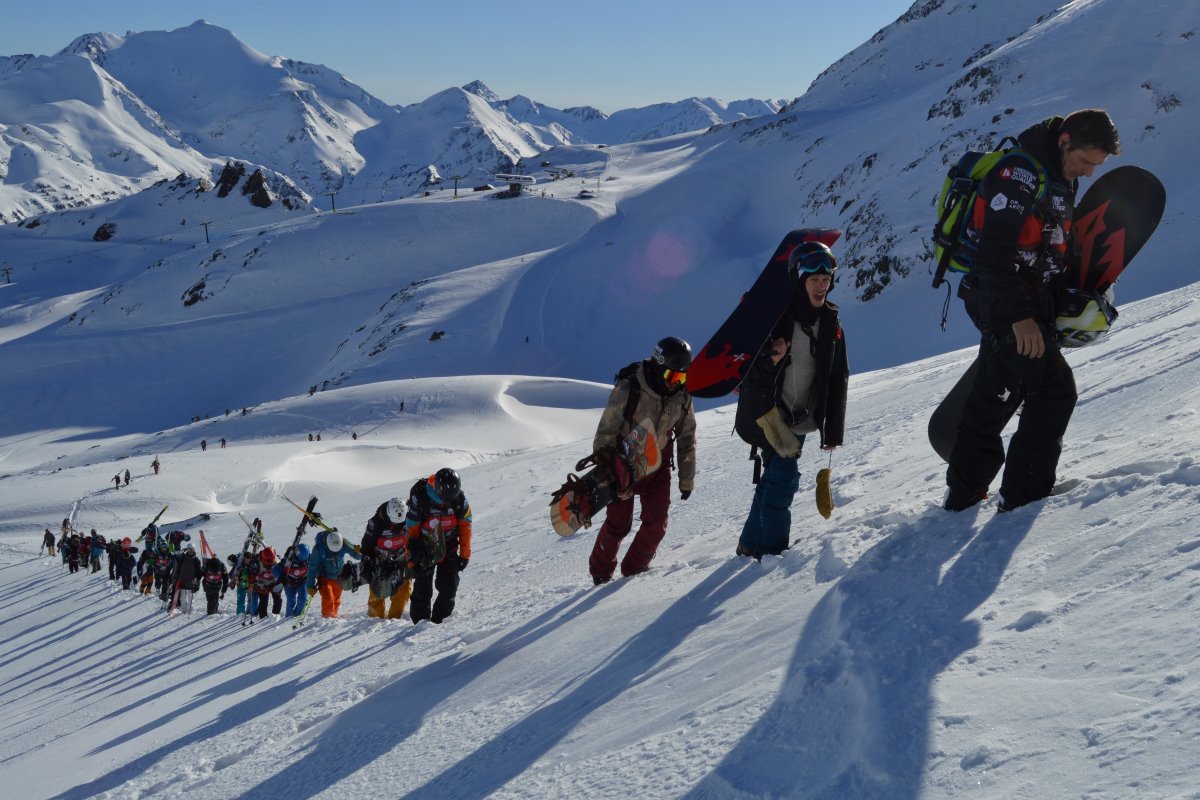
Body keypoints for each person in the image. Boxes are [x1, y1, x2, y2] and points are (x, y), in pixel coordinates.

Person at [945, 109, 1121, 513]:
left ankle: (964, 494)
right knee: (1055, 388)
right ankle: (1024, 498)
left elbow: (1048, 244)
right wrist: (1020, 317)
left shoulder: (1060, 176)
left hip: (1024, 297)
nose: (1089, 173)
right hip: (1003, 299)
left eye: (1096, 166)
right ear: (1064, 141)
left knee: (994, 391)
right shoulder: (1019, 173)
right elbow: (994, 254)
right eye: (1085, 161)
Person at [734, 242, 849, 558]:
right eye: (814, 280)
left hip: (800, 416)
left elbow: (838, 376)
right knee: (784, 479)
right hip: (769, 413)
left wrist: (832, 431)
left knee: (773, 478)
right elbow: (743, 370)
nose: (821, 286)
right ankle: (771, 551)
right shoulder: (776, 320)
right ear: (800, 280)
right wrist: (771, 358)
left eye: (826, 279)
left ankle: (749, 545)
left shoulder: (830, 323)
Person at [587, 337, 697, 584]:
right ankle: (600, 574)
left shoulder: (682, 396)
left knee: (657, 523)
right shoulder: (630, 388)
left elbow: (687, 436)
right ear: (658, 366)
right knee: (618, 524)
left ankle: (634, 573)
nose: (676, 384)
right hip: (623, 466)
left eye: (682, 378)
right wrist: (606, 470)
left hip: (657, 465)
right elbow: (605, 432)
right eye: (672, 377)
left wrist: (686, 479)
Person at [406, 468, 472, 624]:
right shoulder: (420, 497)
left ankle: (439, 623)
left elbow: (465, 526)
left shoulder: (460, 499)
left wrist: (464, 555)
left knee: (449, 587)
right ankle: (419, 625)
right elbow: (411, 529)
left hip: (448, 545)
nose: (446, 501)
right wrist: (411, 560)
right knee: (423, 588)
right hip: (424, 547)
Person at [362, 498, 413, 620]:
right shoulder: (375, 523)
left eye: (400, 523)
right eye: (395, 523)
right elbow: (367, 543)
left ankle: (394, 619)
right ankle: (374, 620)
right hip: (380, 562)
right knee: (377, 593)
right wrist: (367, 560)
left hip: (401, 560)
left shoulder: (409, 518)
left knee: (404, 591)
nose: (397, 526)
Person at [305, 530, 361, 618]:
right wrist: (310, 586)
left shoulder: (343, 544)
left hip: (339, 577)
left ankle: (333, 617)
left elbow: (358, 556)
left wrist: (359, 551)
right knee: (328, 599)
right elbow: (312, 567)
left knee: (336, 600)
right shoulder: (319, 548)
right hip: (324, 577)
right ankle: (327, 618)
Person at [169, 544, 203, 613]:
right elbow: (177, 567)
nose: (190, 551)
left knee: (190, 597)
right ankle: (183, 610)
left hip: (191, 581)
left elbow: (198, 572)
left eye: (191, 550)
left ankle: (189, 610)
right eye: (189, 550)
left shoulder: (196, 560)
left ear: (194, 550)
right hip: (183, 581)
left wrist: (197, 582)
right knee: (182, 598)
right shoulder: (182, 558)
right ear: (186, 550)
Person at [280, 544, 311, 617]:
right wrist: (281, 578)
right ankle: (288, 617)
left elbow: (315, 566)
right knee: (291, 601)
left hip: (302, 580)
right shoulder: (289, 559)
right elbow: (279, 569)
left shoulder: (310, 558)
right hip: (289, 582)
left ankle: (297, 615)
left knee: (303, 599)